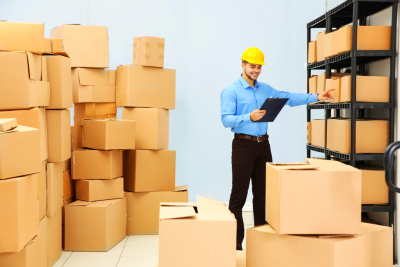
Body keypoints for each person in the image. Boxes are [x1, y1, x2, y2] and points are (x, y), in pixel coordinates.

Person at [220, 47, 333, 250]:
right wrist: (248, 117)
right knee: (239, 194)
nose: (256, 70)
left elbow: (289, 98)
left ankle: (261, 240)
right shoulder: (231, 91)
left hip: (263, 145)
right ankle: (235, 243)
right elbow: (226, 119)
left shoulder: (266, 89)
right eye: (252, 66)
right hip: (243, 145)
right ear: (243, 65)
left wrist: (317, 96)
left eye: (259, 67)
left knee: (263, 194)